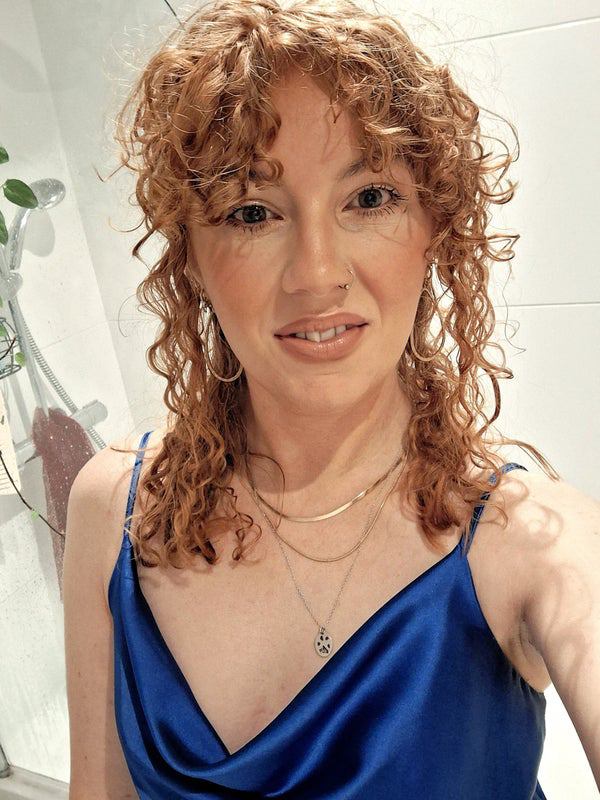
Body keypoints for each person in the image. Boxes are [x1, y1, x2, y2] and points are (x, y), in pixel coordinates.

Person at [63, 0, 600, 797]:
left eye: (369, 198)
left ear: (435, 228)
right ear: (192, 260)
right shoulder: (116, 508)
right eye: (252, 212)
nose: (316, 274)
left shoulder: (531, 541)